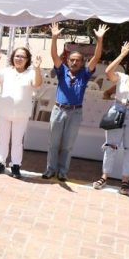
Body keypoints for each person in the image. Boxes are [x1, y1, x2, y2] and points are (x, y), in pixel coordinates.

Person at [44, 22, 107, 181]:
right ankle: (50, 169)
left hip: (75, 112)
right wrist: (54, 38)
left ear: (82, 62)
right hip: (58, 110)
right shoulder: (62, 70)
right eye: (72, 60)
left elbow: (97, 57)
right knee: (53, 144)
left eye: (77, 60)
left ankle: (63, 172)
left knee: (67, 146)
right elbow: (54, 56)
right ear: (68, 60)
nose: (74, 62)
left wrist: (99, 40)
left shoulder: (85, 73)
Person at [93, 43, 129, 195]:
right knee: (111, 145)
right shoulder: (121, 77)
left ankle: (125, 180)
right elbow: (109, 71)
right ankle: (104, 176)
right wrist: (122, 55)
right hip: (118, 111)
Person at [0, 47, 43, 178]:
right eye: (17, 56)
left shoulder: (30, 73)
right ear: (12, 57)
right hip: (4, 112)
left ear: (27, 59)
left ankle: (15, 165)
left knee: (17, 141)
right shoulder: (6, 72)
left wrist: (37, 69)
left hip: (21, 114)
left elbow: (37, 84)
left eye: (22, 57)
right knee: (3, 139)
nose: (19, 59)